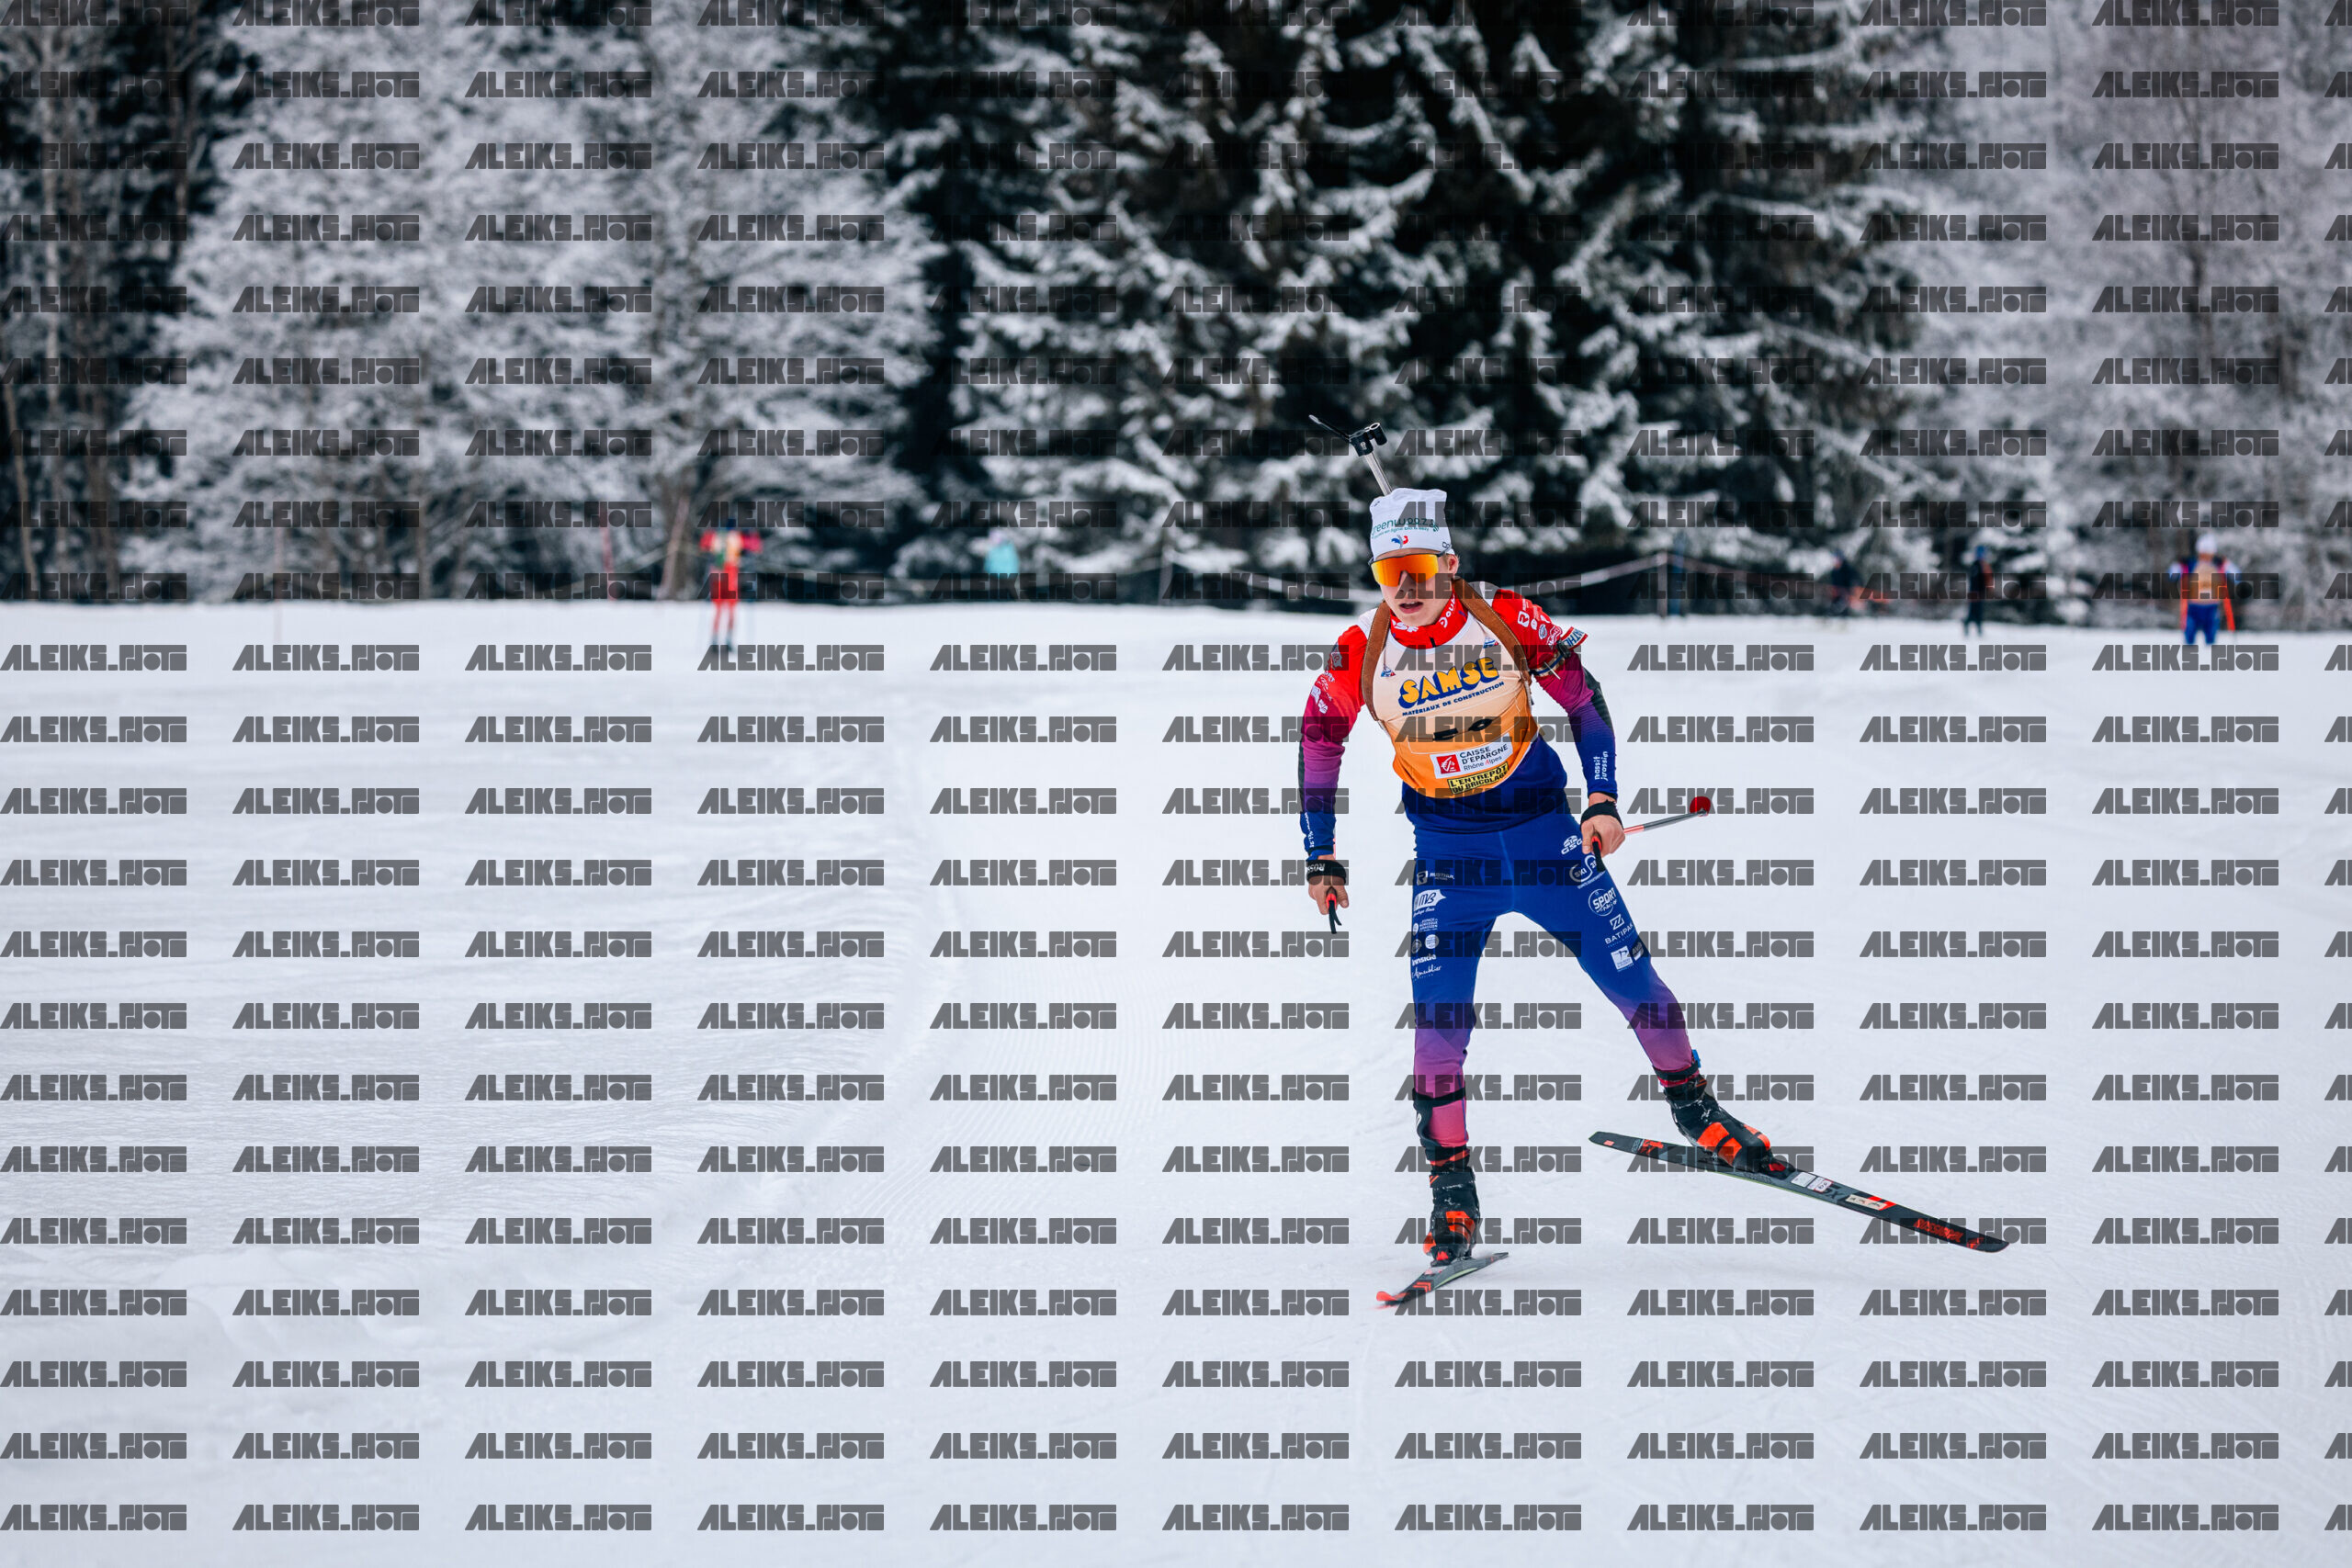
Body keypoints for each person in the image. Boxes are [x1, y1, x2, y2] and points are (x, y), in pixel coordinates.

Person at [1295, 489, 1787, 1277]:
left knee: (1636, 982)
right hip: (1451, 862)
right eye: (1390, 572)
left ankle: (1697, 1110)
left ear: (1449, 564)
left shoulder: (1504, 618)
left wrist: (1603, 798)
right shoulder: (1363, 648)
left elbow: (1584, 703)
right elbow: (1319, 740)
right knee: (1436, 1036)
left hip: (1547, 842)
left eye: (1420, 569)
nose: (1407, 588)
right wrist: (1321, 854)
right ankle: (1452, 1193)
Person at [2170, 533, 2237, 645]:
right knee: (2189, 637)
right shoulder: (2191, 564)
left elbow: (2236, 576)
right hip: (2193, 606)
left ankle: (2210, 653)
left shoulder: (2219, 565)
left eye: (2208, 553)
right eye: (2203, 553)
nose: (2205, 556)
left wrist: (2227, 564)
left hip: (2212, 607)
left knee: (2211, 638)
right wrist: (2178, 565)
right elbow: (2172, 575)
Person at [699, 525, 760, 649]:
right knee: (729, 610)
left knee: (719, 610)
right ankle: (726, 639)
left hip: (719, 575)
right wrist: (752, 535)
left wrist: (708, 534)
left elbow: (703, 544)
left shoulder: (716, 536)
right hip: (730, 576)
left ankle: (717, 639)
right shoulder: (737, 537)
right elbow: (755, 546)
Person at [1962, 545, 1994, 636]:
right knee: (1974, 611)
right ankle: (1971, 626)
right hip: (1975, 593)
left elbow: (1988, 579)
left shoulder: (1984, 566)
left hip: (1979, 592)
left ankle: (1977, 627)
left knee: (1977, 611)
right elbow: (1975, 581)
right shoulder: (1976, 565)